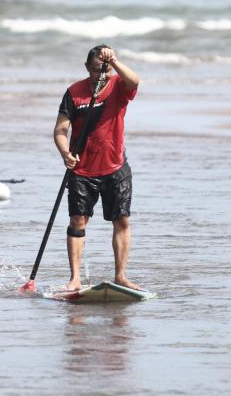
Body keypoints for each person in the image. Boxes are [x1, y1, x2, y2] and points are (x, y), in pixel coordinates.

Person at [54, 45, 142, 291]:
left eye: (103, 71)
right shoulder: (74, 93)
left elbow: (135, 80)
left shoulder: (118, 86)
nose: (99, 76)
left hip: (115, 167)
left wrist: (113, 61)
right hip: (82, 170)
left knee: (121, 219)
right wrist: (65, 153)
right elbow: (61, 129)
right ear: (86, 68)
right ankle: (75, 279)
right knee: (77, 220)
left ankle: (121, 276)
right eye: (94, 71)